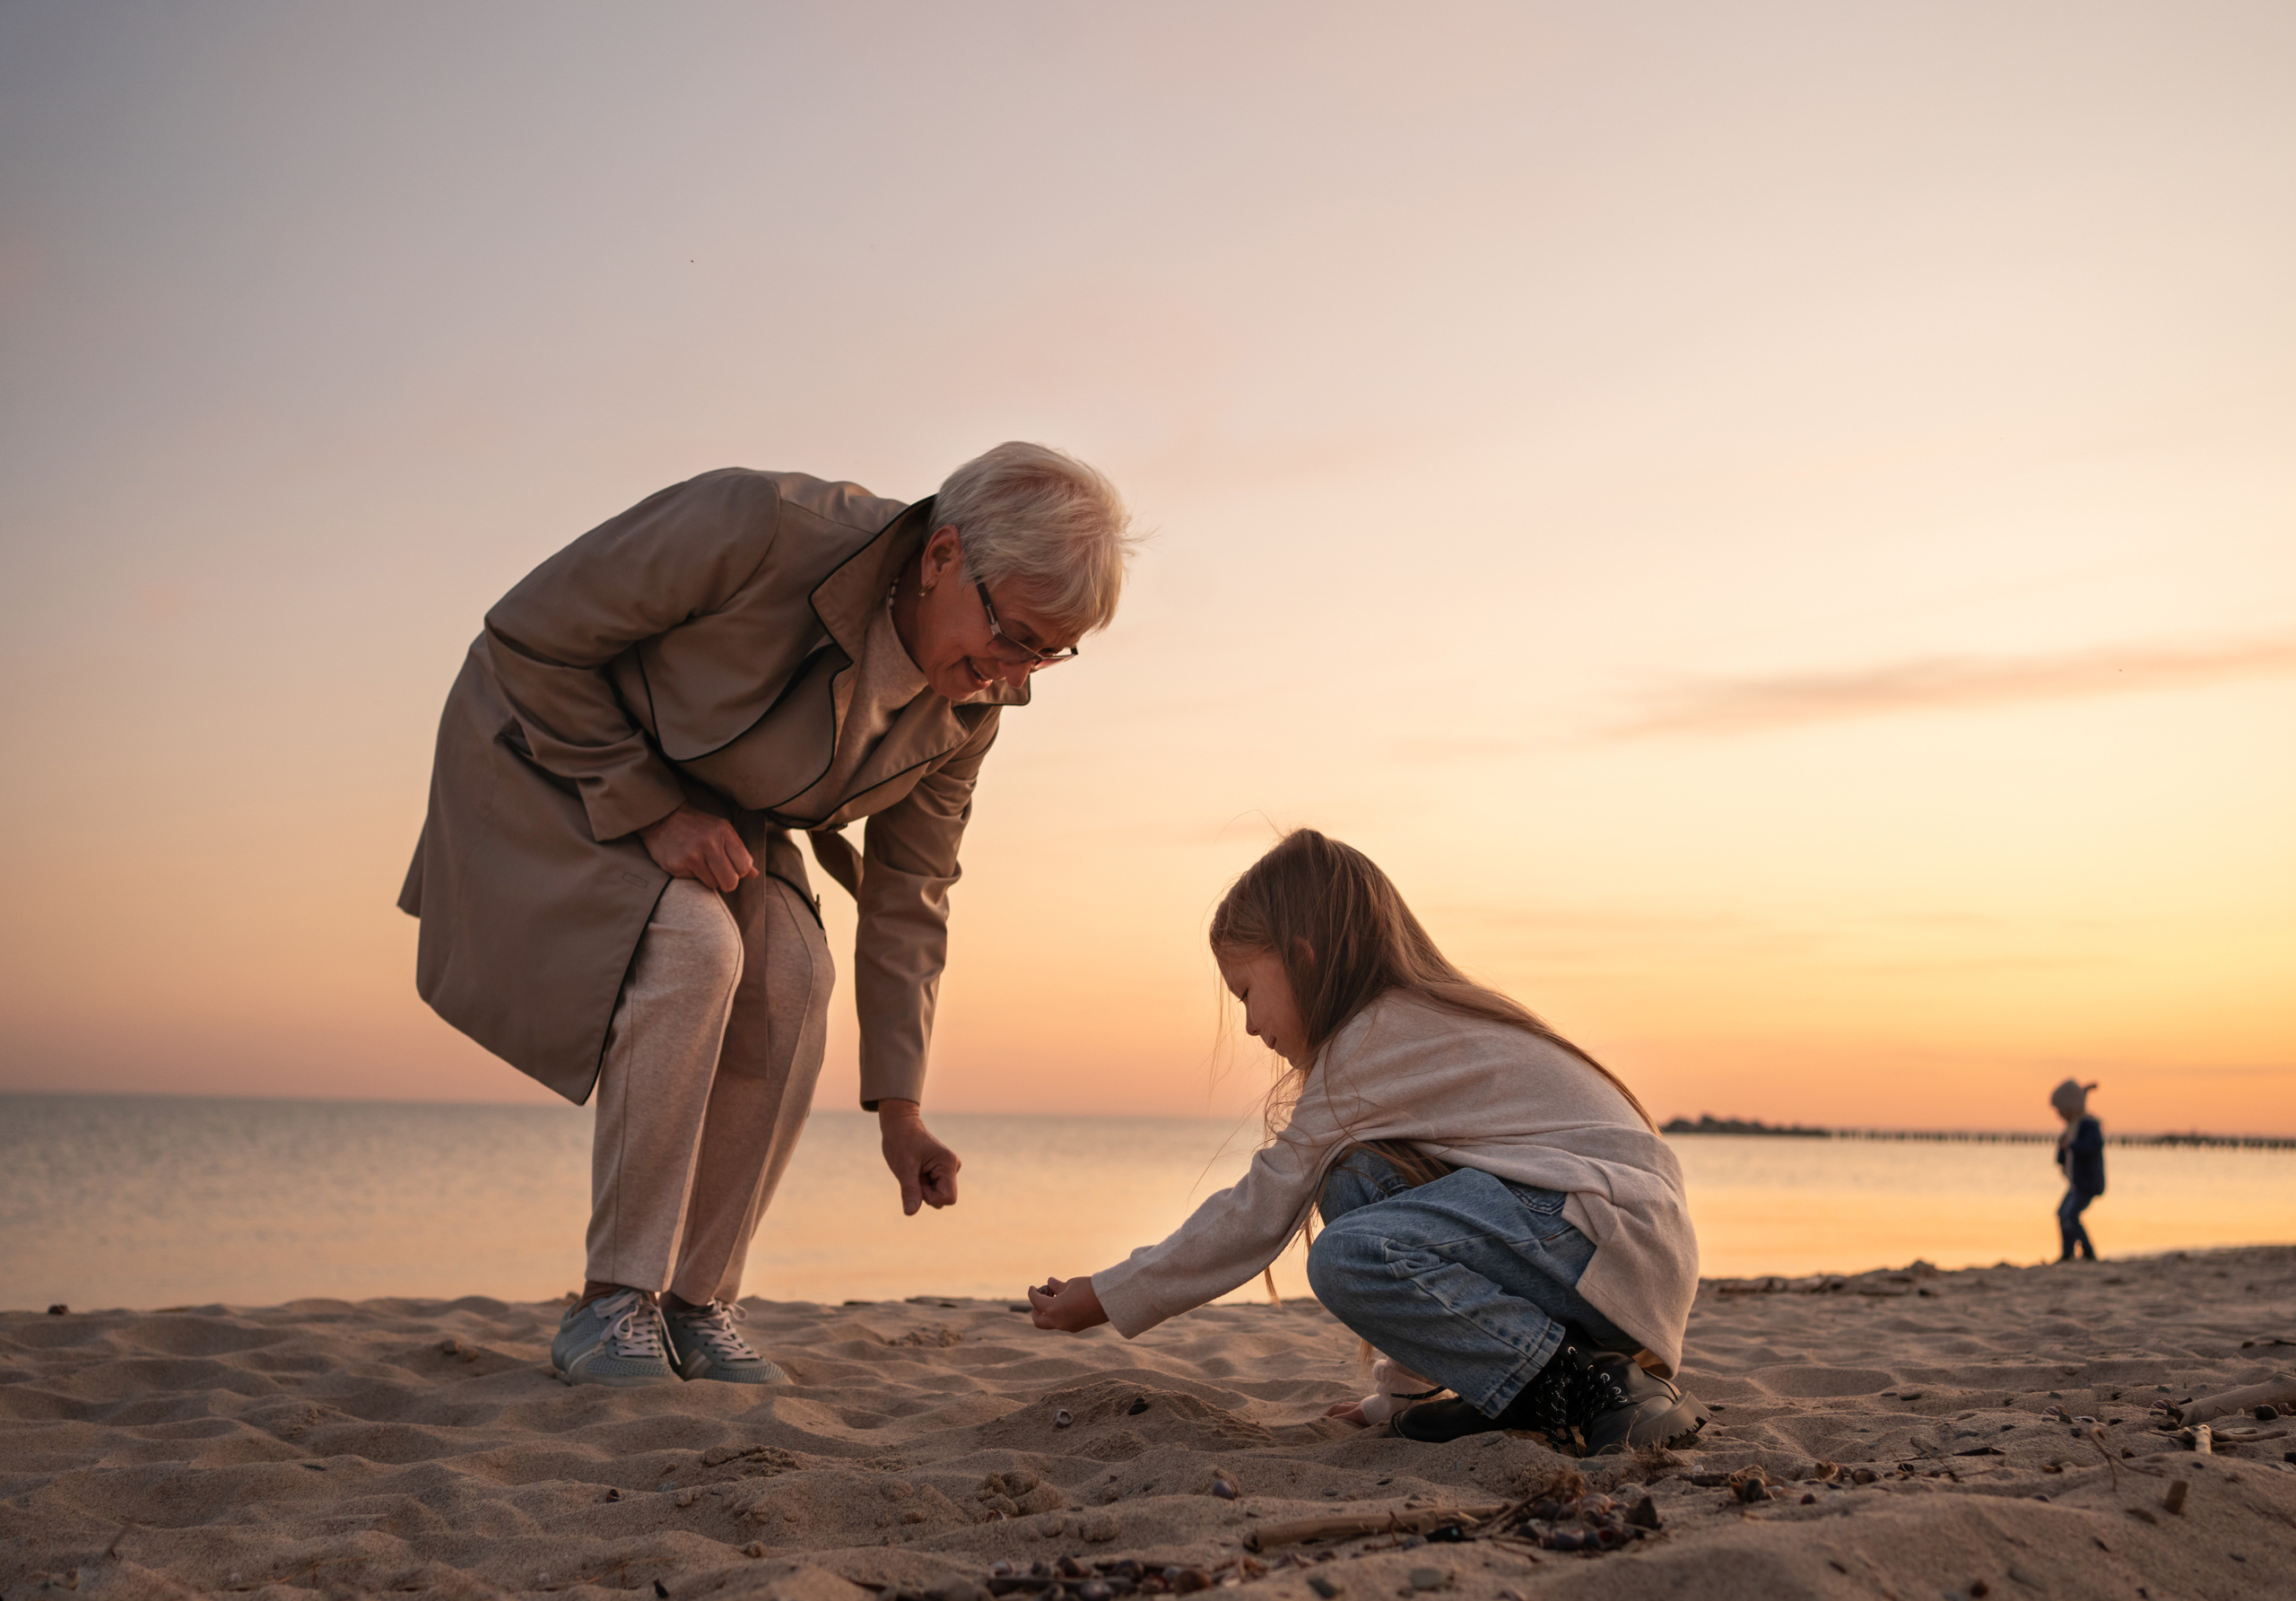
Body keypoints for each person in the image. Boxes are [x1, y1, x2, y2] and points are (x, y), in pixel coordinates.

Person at [399, 444, 1134, 1386]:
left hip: (720, 814)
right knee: (694, 947)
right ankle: (614, 1301)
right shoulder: (758, 528)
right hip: (555, 753)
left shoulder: (970, 709)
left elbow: (912, 894)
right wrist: (654, 811)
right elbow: (527, 638)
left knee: (796, 975)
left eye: (1050, 652)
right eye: (1017, 633)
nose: (1016, 672)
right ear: (943, 556)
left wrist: (901, 1114)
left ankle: (698, 1304)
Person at [1025, 830, 1709, 1455]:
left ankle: (1595, 1384)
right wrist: (1399, 1396)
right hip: (1610, 1242)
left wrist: (1110, 1293)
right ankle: (1505, 1387)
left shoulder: (1370, 1040)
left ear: (1303, 958)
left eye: (1245, 991)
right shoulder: (1406, 1029)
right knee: (1357, 1181)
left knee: (1348, 1255)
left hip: (1604, 1237)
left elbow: (1257, 1211)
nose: (1248, 1024)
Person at [2050, 1079, 2105, 1262]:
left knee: (2071, 1215)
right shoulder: (2072, 1126)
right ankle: (2067, 1253)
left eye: (2061, 1110)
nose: (2059, 1114)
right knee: (2062, 1214)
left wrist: (2072, 1145)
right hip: (2076, 1183)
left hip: (2087, 1183)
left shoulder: (2088, 1125)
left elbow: (2093, 1145)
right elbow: (2064, 1153)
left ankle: (2088, 1252)